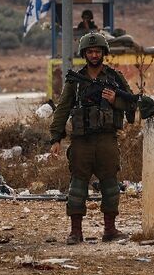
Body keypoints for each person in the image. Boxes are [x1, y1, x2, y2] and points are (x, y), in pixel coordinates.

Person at [48, 32, 134, 245]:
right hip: (82, 141)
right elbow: (63, 109)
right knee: (77, 187)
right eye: (90, 51)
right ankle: (75, 232)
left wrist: (115, 101)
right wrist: (56, 138)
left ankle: (110, 230)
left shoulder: (114, 78)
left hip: (106, 139)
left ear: (103, 53)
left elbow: (132, 104)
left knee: (110, 186)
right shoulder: (75, 81)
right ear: (84, 54)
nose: (94, 55)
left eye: (97, 51)